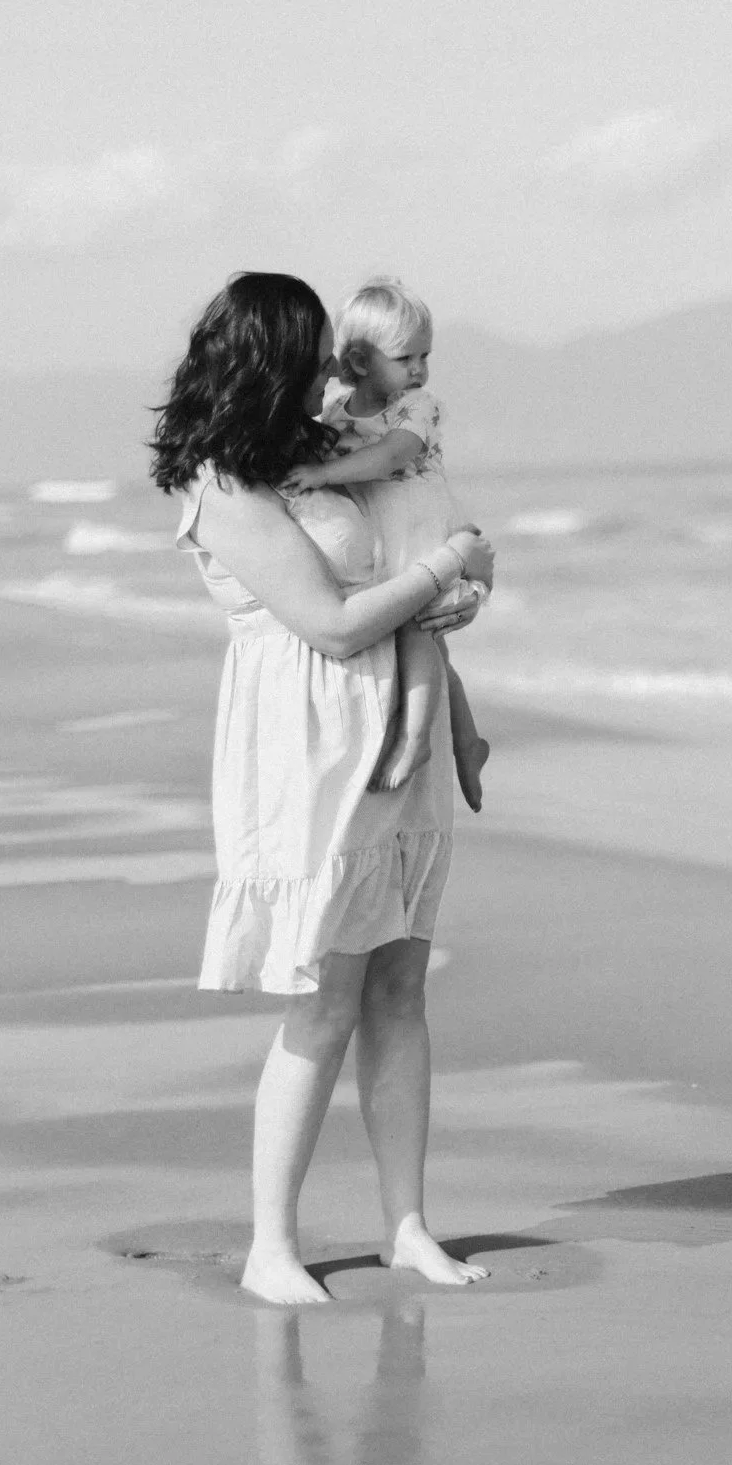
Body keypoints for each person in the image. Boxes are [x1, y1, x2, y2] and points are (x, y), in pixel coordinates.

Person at [149, 271, 496, 1301]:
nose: (325, 371)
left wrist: (459, 617)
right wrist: (446, 573)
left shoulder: (307, 449)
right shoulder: (222, 480)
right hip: (312, 750)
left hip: (397, 730)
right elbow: (336, 620)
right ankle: (270, 1246)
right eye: (307, 353)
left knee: (399, 985)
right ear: (264, 359)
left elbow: (402, 550)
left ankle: (407, 1226)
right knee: (327, 998)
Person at [283, 277, 490, 809]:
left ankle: (417, 739)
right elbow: (337, 445)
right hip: (385, 528)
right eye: (404, 358)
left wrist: (323, 475)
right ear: (358, 360)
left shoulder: (417, 406)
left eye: (425, 355)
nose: (419, 369)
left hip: (417, 520)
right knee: (433, 648)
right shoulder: (336, 408)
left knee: (418, 628)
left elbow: (390, 457)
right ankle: (467, 742)